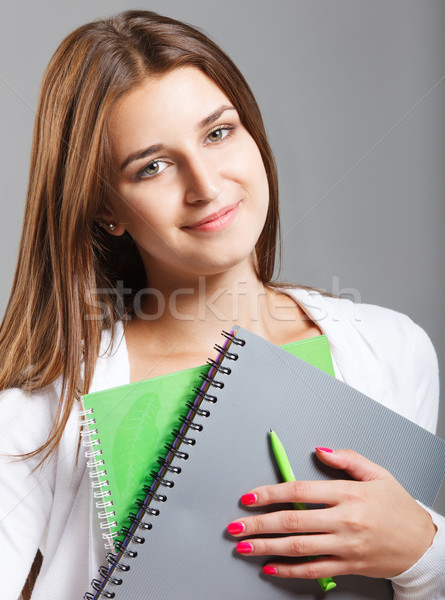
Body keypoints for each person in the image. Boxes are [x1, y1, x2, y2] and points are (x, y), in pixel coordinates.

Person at [0, 9, 443, 600]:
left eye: (218, 132)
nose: (205, 184)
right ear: (106, 210)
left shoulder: (393, 350)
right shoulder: (39, 414)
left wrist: (424, 554)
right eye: (152, 166)